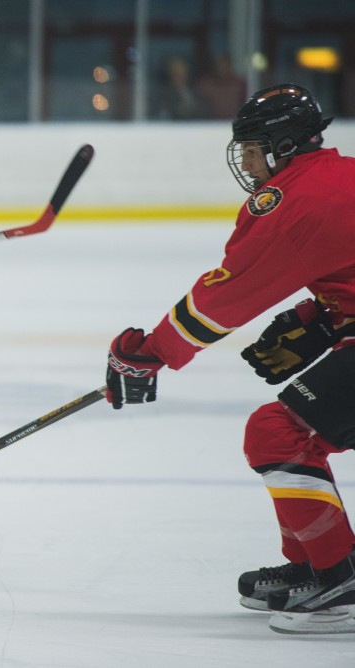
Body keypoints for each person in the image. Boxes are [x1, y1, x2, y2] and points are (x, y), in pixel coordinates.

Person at [105, 84, 355, 634]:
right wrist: (324, 317)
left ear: (284, 146)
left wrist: (150, 354)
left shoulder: (299, 199)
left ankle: (339, 579)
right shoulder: (340, 176)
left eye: (251, 148)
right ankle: (317, 566)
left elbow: (228, 294)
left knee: (278, 434)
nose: (243, 161)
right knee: (286, 434)